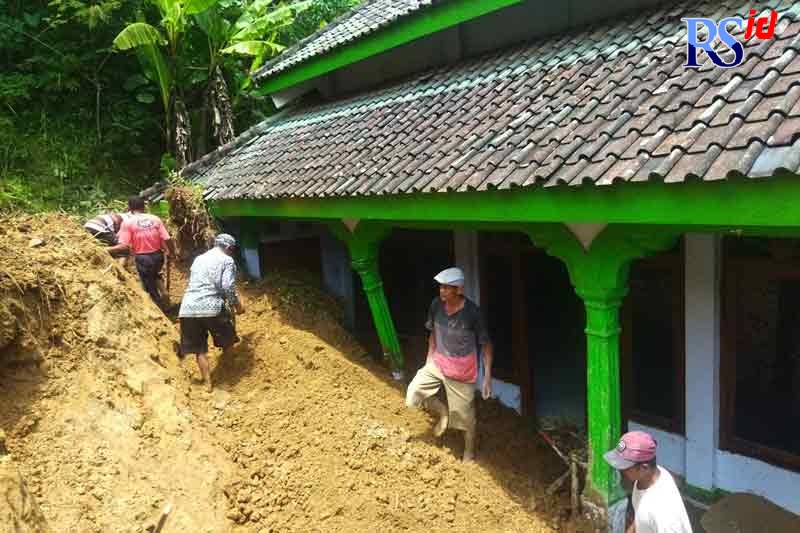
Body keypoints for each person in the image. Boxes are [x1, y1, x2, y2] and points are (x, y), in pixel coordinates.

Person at [405, 267, 493, 462]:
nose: (442, 291)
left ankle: (468, 453)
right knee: (414, 392)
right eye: (441, 287)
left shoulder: (473, 313)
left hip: (462, 372)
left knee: (465, 420)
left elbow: (486, 345)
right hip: (438, 363)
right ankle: (442, 411)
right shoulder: (436, 305)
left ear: (458, 290)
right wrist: (429, 360)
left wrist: (487, 378)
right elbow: (433, 334)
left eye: (447, 287)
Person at [178, 233, 245, 392]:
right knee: (227, 340)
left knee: (199, 349)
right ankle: (229, 376)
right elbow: (227, 286)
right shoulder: (227, 260)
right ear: (229, 247)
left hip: (188, 307)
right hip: (211, 306)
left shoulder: (199, 259)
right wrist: (237, 306)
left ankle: (207, 383)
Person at [604, 431, 693, 533]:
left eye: (624, 467)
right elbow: (641, 518)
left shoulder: (664, 514)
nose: (619, 470)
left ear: (644, 468)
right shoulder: (648, 478)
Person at [108, 196, 175, 306]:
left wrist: (106, 250)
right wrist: (171, 252)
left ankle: (159, 309)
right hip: (158, 256)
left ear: (129, 207)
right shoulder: (155, 219)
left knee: (149, 286)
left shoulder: (128, 223)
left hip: (143, 258)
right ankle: (165, 294)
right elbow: (167, 238)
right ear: (144, 206)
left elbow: (123, 246)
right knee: (156, 275)